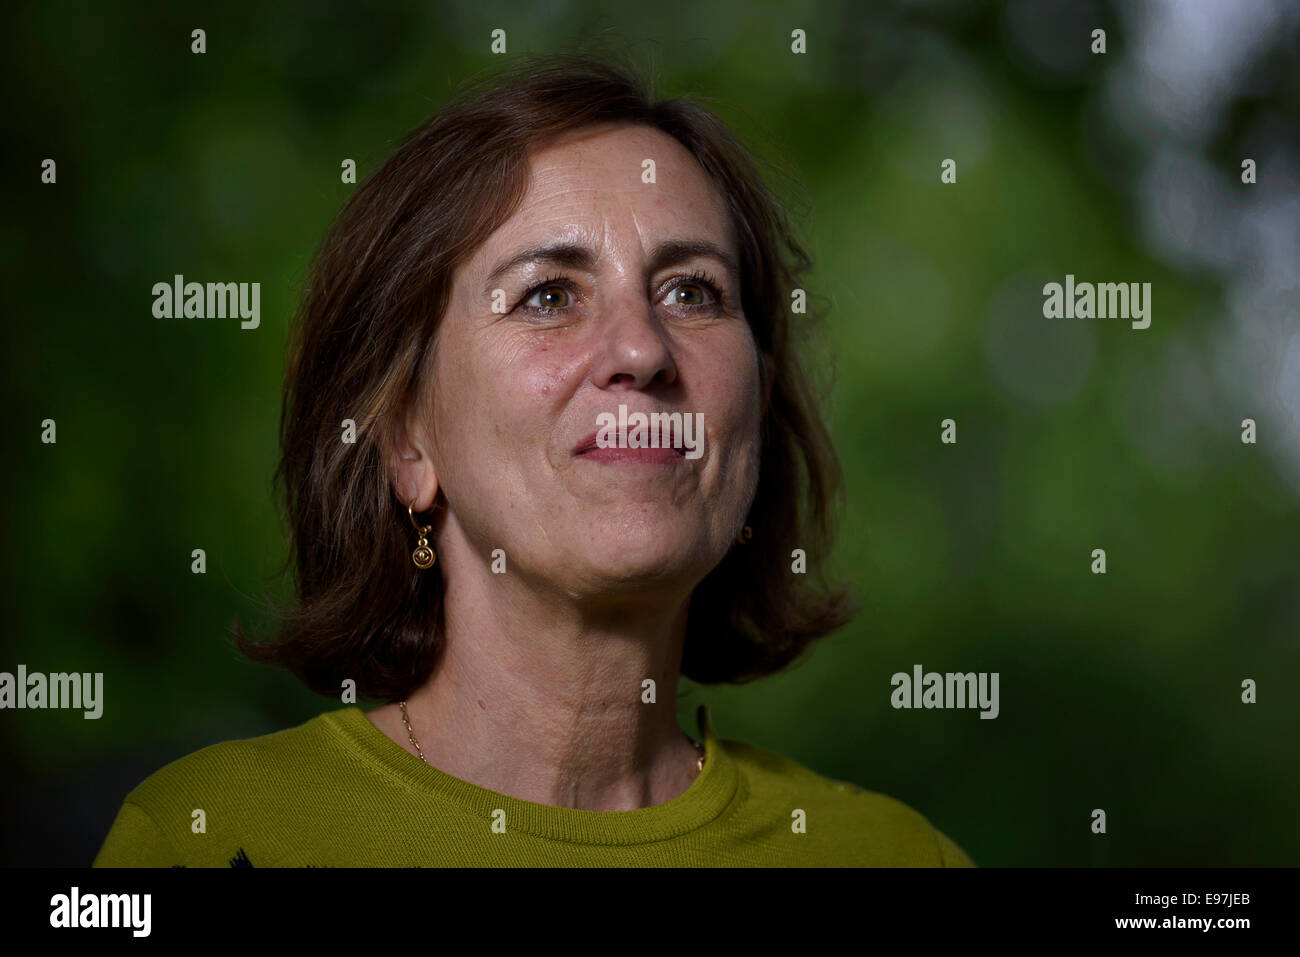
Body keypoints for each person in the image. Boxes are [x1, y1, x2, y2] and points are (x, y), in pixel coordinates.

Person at [93, 52, 974, 867]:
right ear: (405, 441)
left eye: (692, 291)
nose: (642, 347)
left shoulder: (894, 855)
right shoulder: (210, 837)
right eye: (549, 295)